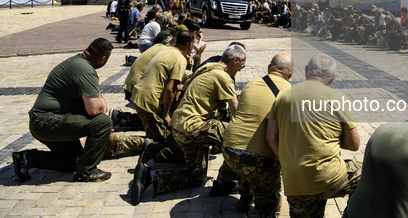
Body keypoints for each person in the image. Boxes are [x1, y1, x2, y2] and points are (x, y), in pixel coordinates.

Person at [131, 45, 246, 204]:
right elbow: (236, 113)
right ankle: (224, 182)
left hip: (179, 125)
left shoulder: (205, 68)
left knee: (196, 176)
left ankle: (150, 176)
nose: (241, 70)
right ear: (236, 60)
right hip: (192, 125)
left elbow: (185, 86)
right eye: (242, 66)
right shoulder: (223, 77)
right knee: (237, 136)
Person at [266, 54, 361, 218]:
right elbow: (354, 145)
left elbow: (271, 137)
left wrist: (287, 160)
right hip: (330, 178)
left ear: (306, 70)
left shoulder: (283, 95)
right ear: (332, 78)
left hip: (294, 181)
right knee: (368, 173)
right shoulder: (339, 99)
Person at [13, 39, 115, 182]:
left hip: (44, 121)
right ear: (103, 58)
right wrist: (102, 103)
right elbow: (94, 109)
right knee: (103, 122)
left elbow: (94, 95)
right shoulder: (84, 69)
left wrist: (99, 99)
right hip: (47, 122)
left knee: (73, 162)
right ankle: (87, 171)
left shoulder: (78, 63)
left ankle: (28, 158)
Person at [222, 54, 293, 215]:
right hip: (259, 160)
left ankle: (245, 198)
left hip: (229, 150)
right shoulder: (290, 93)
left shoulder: (251, 84)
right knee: (269, 207)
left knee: (247, 167)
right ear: (290, 75)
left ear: (269, 68)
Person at [129, 32, 193, 163]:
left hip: (139, 94)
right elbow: (170, 89)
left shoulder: (167, 50)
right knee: (165, 140)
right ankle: (115, 143)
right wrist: (166, 115)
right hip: (148, 101)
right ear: (190, 44)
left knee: (155, 132)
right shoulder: (179, 60)